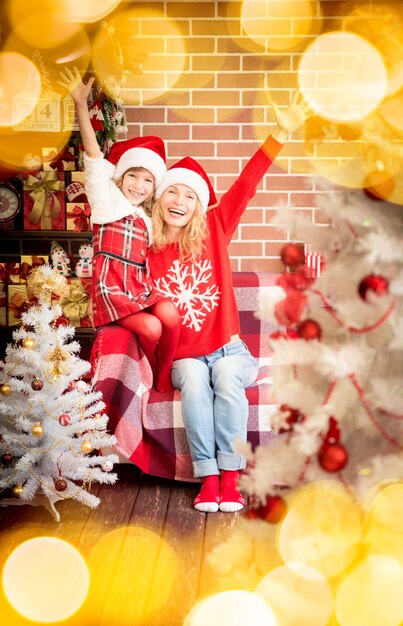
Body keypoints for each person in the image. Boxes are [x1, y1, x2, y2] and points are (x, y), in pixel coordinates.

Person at [148, 92, 308, 512]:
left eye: (189, 196)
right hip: (184, 357)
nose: (179, 201)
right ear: (158, 201)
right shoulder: (145, 246)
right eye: (172, 193)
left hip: (229, 349)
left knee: (223, 373)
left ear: (200, 205)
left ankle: (232, 478)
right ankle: (209, 477)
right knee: (198, 382)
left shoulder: (216, 227)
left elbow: (247, 183)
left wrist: (280, 134)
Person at [58, 67, 179, 393]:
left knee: (168, 312)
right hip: (111, 295)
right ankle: (155, 374)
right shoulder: (106, 200)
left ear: (154, 187)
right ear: (121, 177)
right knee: (152, 328)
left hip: (139, 291)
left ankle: (165, 367)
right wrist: (81, 106)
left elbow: (170, 237)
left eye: (147, 180)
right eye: (133, 176)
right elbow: (95, 158)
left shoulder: (147, 218)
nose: (138, 185)